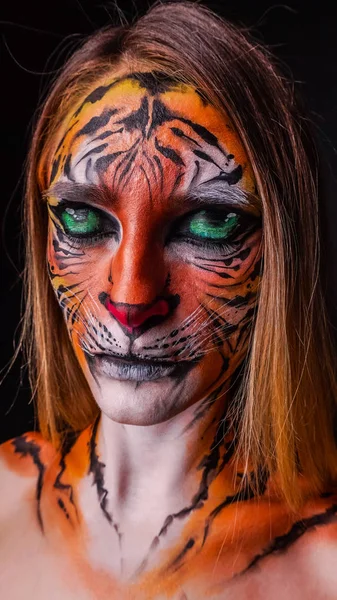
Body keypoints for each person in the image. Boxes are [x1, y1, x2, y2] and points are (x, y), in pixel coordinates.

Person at [1, 1, 337, 598]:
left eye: (209, 221)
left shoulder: (324, 566)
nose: (131, 298)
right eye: (82, 217)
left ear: (284, 251)